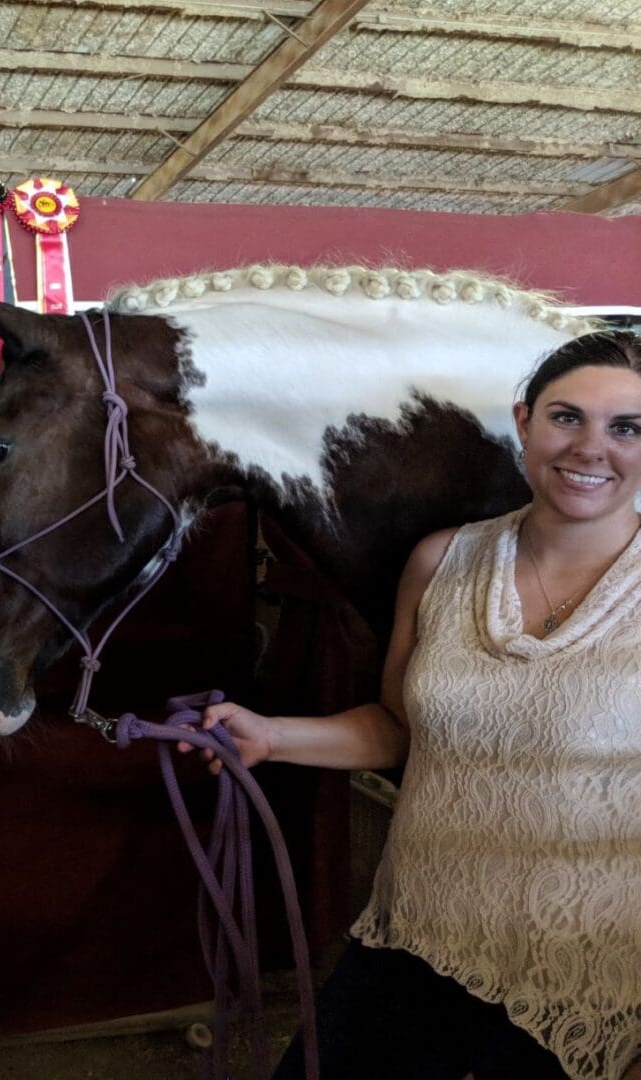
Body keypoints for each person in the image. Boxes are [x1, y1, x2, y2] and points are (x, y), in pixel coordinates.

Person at [183, 329, 641, 1080]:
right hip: (420, 934)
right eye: (569, 417)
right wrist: (268, 735)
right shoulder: (442, 562)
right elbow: (402, 731)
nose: (592, 448)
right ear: (524, 423)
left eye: (627, 428)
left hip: (591, 972)